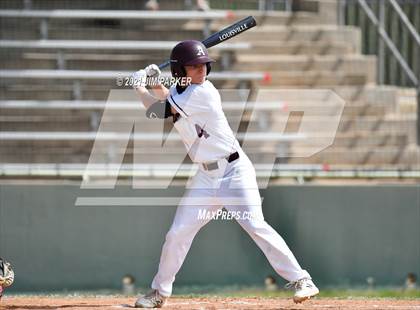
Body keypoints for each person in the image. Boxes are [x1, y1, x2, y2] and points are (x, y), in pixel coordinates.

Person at [131, 40, 319, 308]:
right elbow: (167, 97)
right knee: (178, 233)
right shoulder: (183, 90)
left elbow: (158, 111)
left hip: (234, 172)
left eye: (204, 65)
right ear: (179, 70)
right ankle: (159, 293)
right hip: (206, 178)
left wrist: (138, 85)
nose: (201, 70)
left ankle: (302, 280)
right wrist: (152, 80)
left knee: (255, 225)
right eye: (194, 66)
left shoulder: (203, 93)